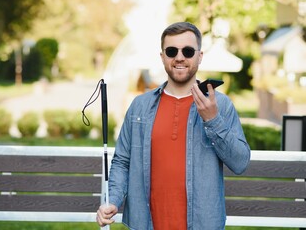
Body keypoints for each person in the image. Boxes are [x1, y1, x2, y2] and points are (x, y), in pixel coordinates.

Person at [96, 21, 250, 230]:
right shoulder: (140, 106)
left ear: (200, 56)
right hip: (146, 224)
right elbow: (123, 161)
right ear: (162, 57)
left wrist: (213, 120)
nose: (179, 57)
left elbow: (240, 162)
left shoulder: (219, 105)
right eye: (171, 51)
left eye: (187, 51)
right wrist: (112, 200)